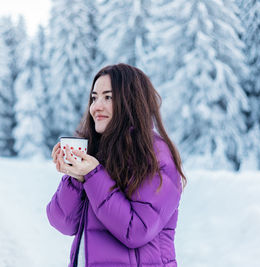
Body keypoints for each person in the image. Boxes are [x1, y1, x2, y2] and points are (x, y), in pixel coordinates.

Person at [46, 63, 186, 267]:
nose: (96, 107)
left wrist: (93, 175)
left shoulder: (156, 155)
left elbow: (137, 229)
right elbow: (62, 223)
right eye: (94, 98)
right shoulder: (97, 153)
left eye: (108, 97)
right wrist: (76, 177)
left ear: (131, 100)